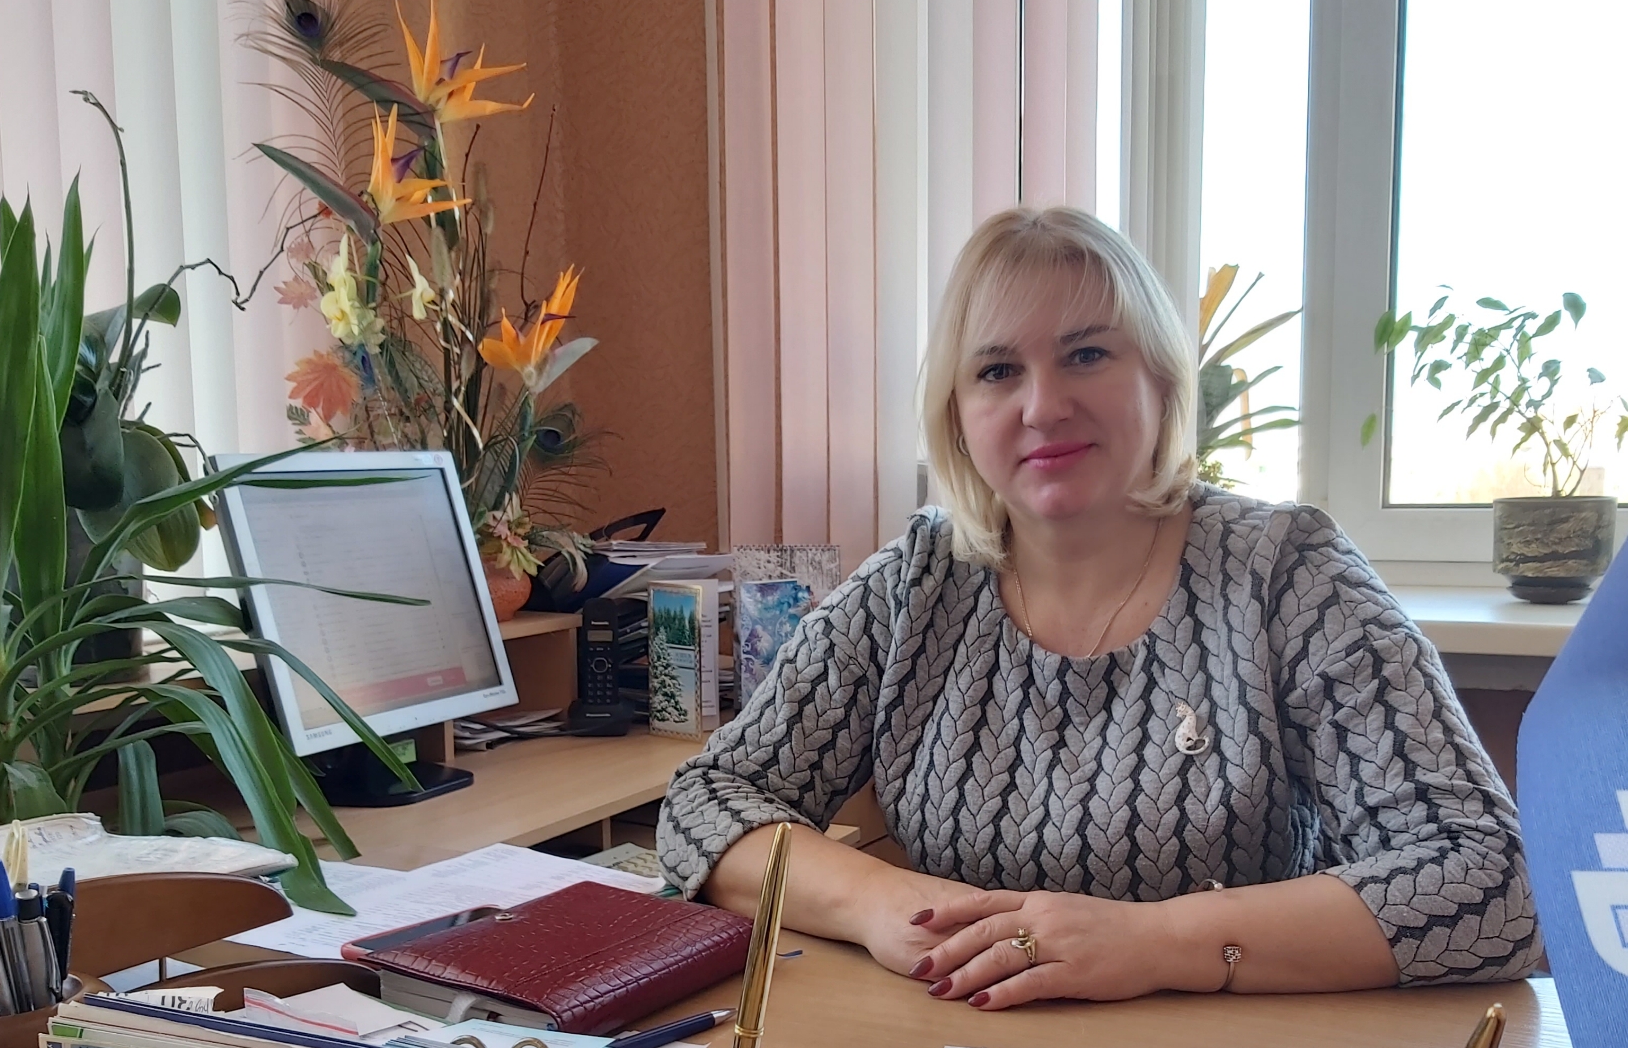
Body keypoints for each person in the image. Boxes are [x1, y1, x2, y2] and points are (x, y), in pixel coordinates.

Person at [657, 206, 1542, 1006]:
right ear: (957, 414)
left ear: (1160, 380)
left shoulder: (1286, 574)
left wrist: (1156, 942)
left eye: (1086, 354)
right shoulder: (915, 583)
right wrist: (881, 902)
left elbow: (1492, 880)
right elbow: (707, 802)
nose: (1044, 406)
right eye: (997, 370)